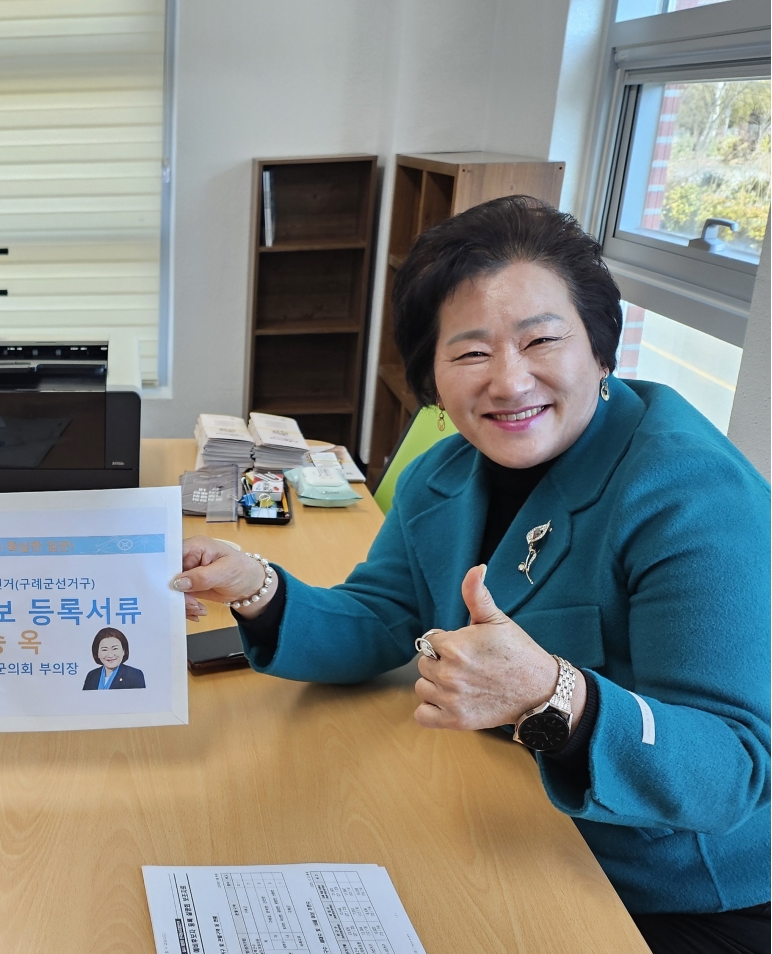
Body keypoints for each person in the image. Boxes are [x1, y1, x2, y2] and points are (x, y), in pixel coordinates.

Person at [171, 197, 770, 954]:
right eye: (470, 353)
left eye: (541, 340)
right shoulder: (444, 471)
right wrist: (256, 587)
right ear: (431, 375)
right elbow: (381, 614)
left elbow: (732, 767)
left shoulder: (691, 495)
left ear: (601, 349)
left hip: (663, 892)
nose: (510, 382)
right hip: (505, 825)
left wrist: (554, 694)